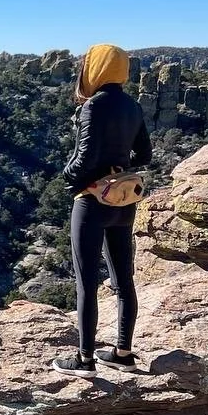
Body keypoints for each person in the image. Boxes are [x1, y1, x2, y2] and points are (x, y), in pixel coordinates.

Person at [51, 43, 153, 378]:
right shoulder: (132, 106)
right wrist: (117, 170)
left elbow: (84, 159)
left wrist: (69, 178)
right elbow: (144, 155)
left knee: (87, 283)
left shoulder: (93, 105)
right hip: (122, 202)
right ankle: (123, 353)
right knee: (124, 280)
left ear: (95, 67)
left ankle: (85, 359)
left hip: (92, 202)